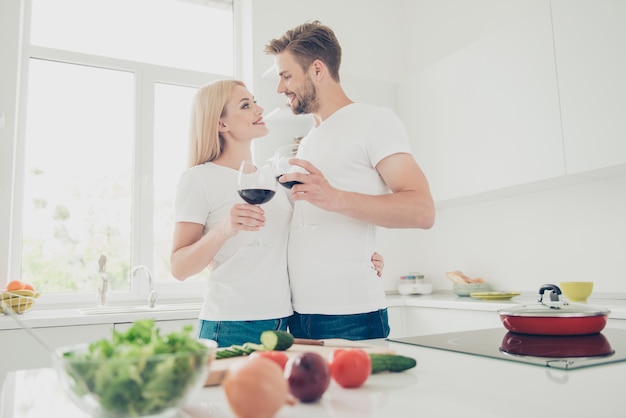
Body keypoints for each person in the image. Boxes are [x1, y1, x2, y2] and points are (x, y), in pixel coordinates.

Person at [170, 79, 385, 347]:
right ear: (221, 124)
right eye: (246, 105)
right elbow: (179, 268)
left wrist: (359, 256)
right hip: (231, 323)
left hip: (285, 323)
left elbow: (298, 240)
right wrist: (224, 230)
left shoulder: (272, 177)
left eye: (254, 101)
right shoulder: (198, 178)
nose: (258, 109)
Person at [264, 21, 436, 340]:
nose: (280, 88)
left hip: (351, 315)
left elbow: (422, 210)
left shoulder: (374, 120)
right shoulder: (308, 140)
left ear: (317, 69)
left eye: (286, 76)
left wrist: (334, 198)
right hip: (299, 316)